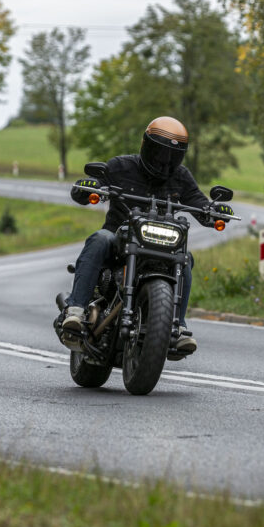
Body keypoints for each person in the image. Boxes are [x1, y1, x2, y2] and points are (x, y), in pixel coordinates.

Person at [61, 115, 233, 355]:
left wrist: (215, 212)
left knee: (185, 258)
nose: (165, 162)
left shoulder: (181, 177)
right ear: (145, 146)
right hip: (118, 239)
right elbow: (92, 186)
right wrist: (89, 186)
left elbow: (201, 205)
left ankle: (177, 327)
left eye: (173, 156)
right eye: (159, 153)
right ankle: (76, 311)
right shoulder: (121, 166)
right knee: (100, 238)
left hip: (162, 246)